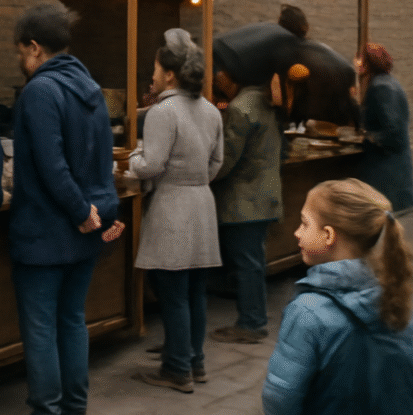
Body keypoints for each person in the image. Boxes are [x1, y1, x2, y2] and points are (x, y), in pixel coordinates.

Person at [9, 4, 125, 415]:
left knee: (41, 328)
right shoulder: (91, 89)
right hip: (85, 231)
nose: (21, 62)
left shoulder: (40, 91)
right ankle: (74, 407)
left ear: (35, 49)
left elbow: (51, 165)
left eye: (21, 52)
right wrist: (90, 215)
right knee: (72, 319)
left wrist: (79, 211)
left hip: (47, 230)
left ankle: (49, 409)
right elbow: (100, 158)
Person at [262, 179, 413, 414]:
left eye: (304, 223)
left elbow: (280, 397)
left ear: (328, 235)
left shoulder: (308, 310)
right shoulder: (399, 292)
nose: (297, 232)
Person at [130, 28, 223, 393]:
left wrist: (135, 157)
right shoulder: (211, 111)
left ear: (169, 74)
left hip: (172, 207)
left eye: (155, 68)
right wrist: (195, 178)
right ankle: (195, 362)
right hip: (202, 205)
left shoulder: (162, 111)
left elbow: (151, 165)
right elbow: (216, 162)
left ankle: (177, 368)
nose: (151, 74)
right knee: (195, 291)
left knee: (172, 291)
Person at [209, 83, 283, 344]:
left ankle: (251, 323)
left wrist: (203, 174)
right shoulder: (261, 100)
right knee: (253, 260)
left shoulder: (242, 107)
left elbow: (226, 159)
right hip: (263, 195)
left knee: (247, 262)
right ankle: (253, 318)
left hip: (245, 199)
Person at [355, 43, 413, 213]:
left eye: (359, 59)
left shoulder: (381, 87)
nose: (355, 63)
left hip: (388, 173)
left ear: (368, 63)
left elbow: (393, 135)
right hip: (394, 171)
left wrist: (368, 137)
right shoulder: (388, 83)